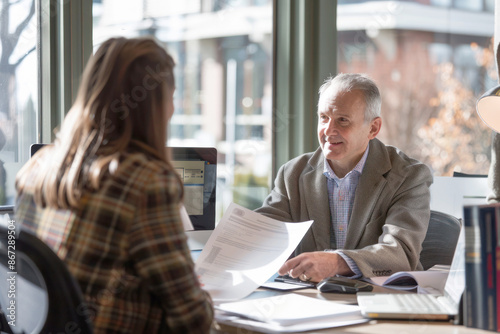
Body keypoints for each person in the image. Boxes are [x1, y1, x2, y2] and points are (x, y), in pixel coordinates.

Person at [15, 37, 214, 333]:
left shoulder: (38, 166)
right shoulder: (144, 181)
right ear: (156, 105)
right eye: (171, 96)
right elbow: (192, 319)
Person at [255, 73, 433, 282]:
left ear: (373, 128)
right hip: (309, 301)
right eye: (324, 118)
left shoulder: (409, 176)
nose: (328, 130)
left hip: (379, 300)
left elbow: (401, 253)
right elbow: (260, 234)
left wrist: (336, 262)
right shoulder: (292, 174)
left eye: (343, 120)